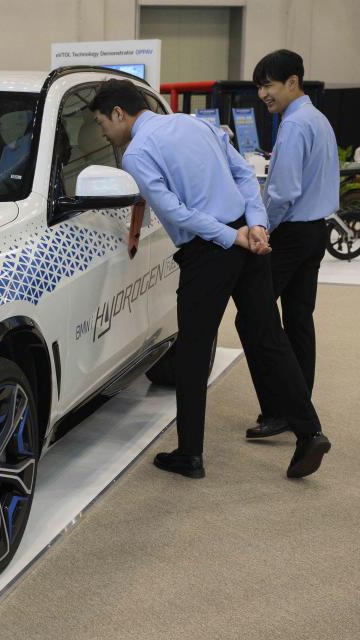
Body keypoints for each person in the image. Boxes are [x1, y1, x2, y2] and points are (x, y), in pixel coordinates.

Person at [88, 79, 330, 479]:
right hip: (246, 241)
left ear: (119, 113)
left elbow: (176, 212)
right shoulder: (194, 124)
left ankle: (189, 454)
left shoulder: (138, 153)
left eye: (101, 122)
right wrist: (255, 225)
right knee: (270, 338)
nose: (102, 132)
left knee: (194, 351)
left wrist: (229, 235)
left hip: (209, 251)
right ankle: (310, 431)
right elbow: (243, 175)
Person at [242, 50, 340, 439]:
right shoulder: (318, 119)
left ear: (292, 82)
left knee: (254, 316)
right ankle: (299, 404)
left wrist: (261, 226)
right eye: (260, 86)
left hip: (292, 235)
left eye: (268, 84)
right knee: (299, 320)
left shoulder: (295, 125)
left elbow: (282, 192)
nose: (263, 94)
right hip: (316, 231)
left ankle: (280, 409)